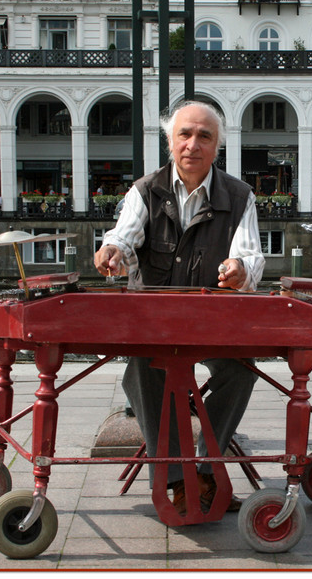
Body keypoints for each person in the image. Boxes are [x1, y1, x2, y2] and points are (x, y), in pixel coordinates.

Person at [94, 101, 265, 518]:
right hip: (152, 329)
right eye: (184, 135)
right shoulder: (144, 191)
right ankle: (174, 477)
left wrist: (239, 270)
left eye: (204, 136)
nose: (193, 144)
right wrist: (113, 251)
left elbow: (252, 258)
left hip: (211, 328)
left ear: (217, 146)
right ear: (170, 142)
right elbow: (124, 235)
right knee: (141, 372)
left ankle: (205, 470)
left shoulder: (240, 196)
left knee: (241, 370)